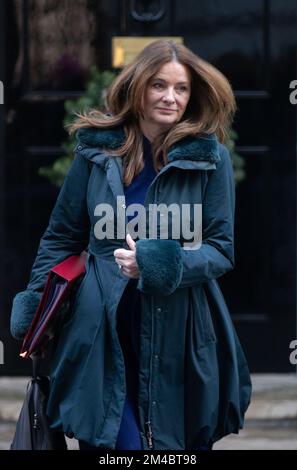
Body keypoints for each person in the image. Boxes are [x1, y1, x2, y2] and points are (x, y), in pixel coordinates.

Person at [10, 39, 252, 451]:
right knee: (113, 444)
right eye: (159, 85)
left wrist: (160, 263)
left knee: (172, 442)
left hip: (180, 327)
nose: (170, 97)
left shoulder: (210, 159)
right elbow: (62, 235)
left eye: (181, 88)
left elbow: (220, 248)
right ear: (138, 87)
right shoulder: (96, 152)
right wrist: (38, 301)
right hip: (101, 327)